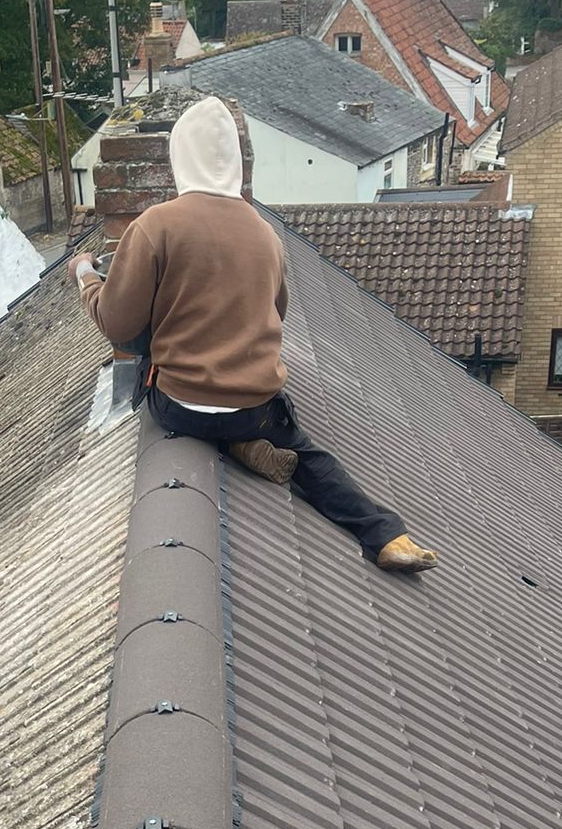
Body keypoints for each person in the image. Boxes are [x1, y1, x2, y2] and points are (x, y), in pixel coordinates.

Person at [72, 96, 436, 573]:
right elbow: (276, 313)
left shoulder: (155, 225)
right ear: (234, 164)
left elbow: (118, 325)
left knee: (145, 343)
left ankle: (236, 446)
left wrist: (86, 276)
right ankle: (386, 536)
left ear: (181, 158)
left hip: (179, 407)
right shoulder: (266, 235)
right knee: (310, 457)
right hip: (253, 412)